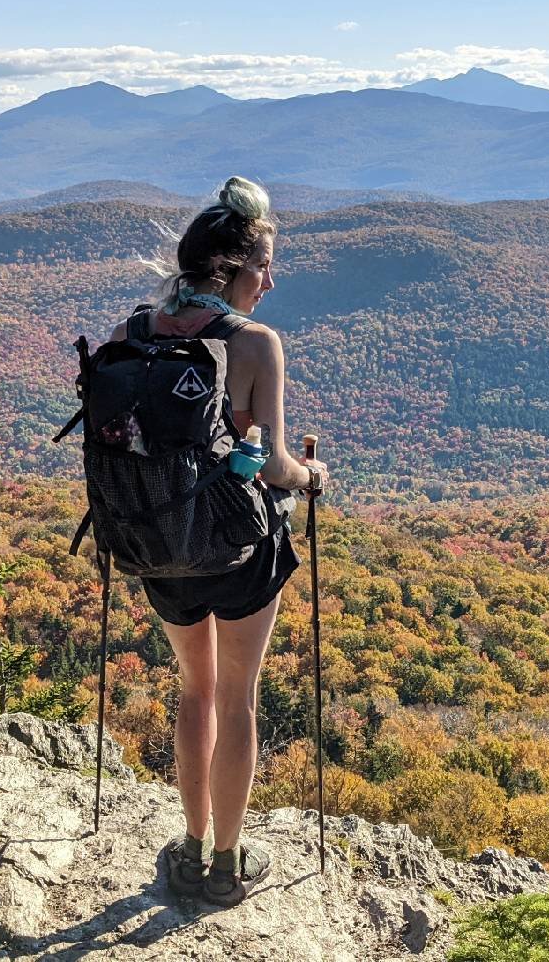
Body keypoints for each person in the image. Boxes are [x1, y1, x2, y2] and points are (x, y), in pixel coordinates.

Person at [109, 176, 328, 906]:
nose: (271, 280)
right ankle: (229, 865)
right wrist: (311, 475)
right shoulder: (255, 345)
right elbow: (272, 466)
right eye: (264, 266)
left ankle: (192, 843)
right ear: (230, 269)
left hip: (159, 544)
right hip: (239, 548)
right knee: (237, 698)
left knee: (193, 690)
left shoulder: (131, 333)